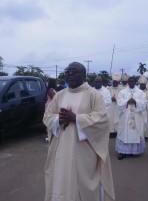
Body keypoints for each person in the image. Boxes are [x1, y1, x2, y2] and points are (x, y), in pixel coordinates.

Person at [43, 62, 116, 201]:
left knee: (81, 185)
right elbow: (47, 115)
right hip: (61, 149)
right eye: (68, 71)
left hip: (83, 151)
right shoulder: (60, 95)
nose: (69, 74)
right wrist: (58, 119)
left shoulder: (94, 95)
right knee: (61, 179)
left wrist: (76, 118)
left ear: (84, 75)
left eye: (74, 71)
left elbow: (102, 120)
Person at [116, 75, 147, 160]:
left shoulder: (140, 92)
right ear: (128, 82)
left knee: (135, 132)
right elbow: (119, 102)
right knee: (124, 133)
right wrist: (127, 101)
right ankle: (123, 152)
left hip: (136, 116)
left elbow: (144, 103)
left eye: (133, 81)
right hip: (125, 116)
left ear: (135, 82)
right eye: (130, 81)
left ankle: (133, 151)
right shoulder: (122, 92)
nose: (131, 83)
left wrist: (136, 101)